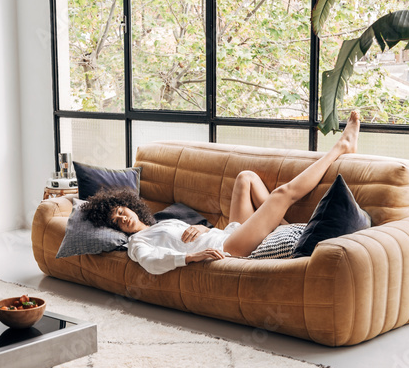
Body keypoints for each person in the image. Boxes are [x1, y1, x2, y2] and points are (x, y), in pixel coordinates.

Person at [82, 111, 361, 275]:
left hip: (226, 232)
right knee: (282, 195)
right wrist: (190, 258)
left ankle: (280, 227)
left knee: (246, 178)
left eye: (122, 211)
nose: (122, 218)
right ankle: (340, 148)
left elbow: (196, 234)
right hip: (230, 248)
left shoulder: (161, 221)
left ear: (131, 206)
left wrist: (201, 230)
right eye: (116, 221)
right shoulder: (136, 244)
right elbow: (152, 263)